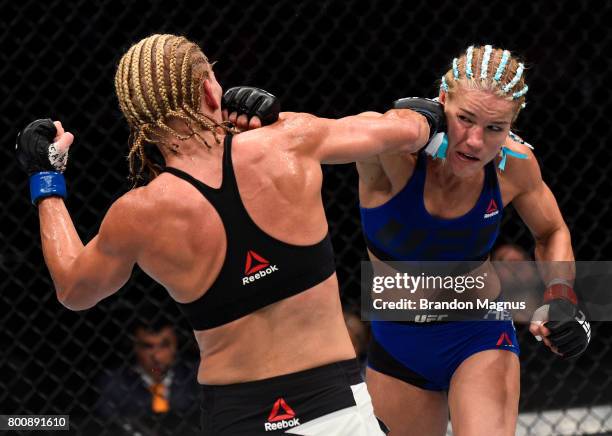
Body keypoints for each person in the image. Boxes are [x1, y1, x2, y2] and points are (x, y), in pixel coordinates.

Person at [15, 34, 434, 435]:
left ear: (139, 120)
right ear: (210, 91)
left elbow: (73, 288)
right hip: (336, 409)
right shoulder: (289, 141)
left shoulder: (138, 215)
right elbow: (406, 130)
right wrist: (427, 112)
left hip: (236, 419)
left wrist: (45, 178)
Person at [357, 45, 591, 435]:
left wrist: (561, 294)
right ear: (443, 101)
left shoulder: (515, 165)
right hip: (397, 341)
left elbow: (551, 230)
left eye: (495, 128)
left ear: (513, 123)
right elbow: (319, 139)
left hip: (478, 333)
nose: (475, 141)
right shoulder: (396, 151)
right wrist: (265, 118)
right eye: (465, 119)